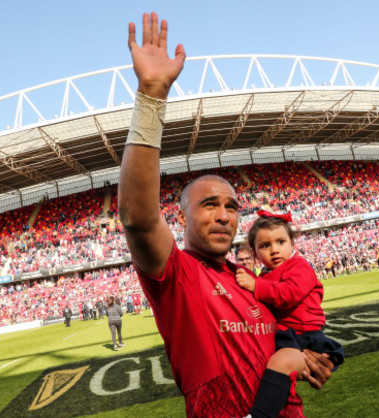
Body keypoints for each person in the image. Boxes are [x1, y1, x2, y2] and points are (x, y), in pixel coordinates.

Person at [118, 12, 332, 417]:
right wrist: (151, 97)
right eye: (209, 204)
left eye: (231, 207)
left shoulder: (249, 280)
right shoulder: (177, 276)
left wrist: (305, 358)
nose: (223, 215)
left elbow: (277, 349)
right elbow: (137, 216)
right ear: (181, 218)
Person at [235, 210, 344, 417]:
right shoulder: (265, 275)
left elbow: (288, 294)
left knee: (281, 362)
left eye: (281, 242)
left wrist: (255, 285)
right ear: (255, 253)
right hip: (287, 336)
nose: (274, 250)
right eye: (265, 246)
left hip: (305, 337)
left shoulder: (299, 266)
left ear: (292, 243)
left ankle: (258, 415)